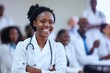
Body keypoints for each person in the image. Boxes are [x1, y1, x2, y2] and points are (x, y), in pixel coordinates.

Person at [11, 4, 66, 73]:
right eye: (43, 21)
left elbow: (62, 71)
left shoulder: (58, 47)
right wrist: (49, 71)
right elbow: (16, 71)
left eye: (50, 22)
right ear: (34, 23)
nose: (47, 25)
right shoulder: (22, 46)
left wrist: (34, 70)